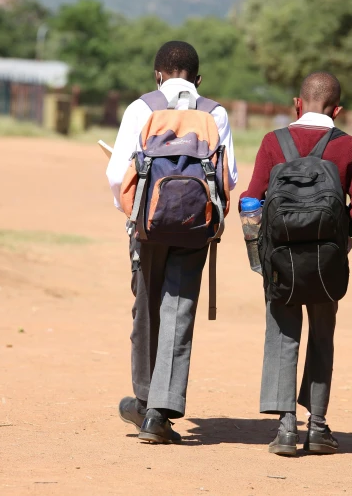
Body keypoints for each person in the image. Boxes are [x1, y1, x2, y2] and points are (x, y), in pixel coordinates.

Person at [106, 41, 238, 443]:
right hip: (197, 225)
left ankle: (144, 401)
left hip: (147, 223)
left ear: (157, 74)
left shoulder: (141, 108)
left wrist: (134, 214)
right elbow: (228, 176)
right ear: (198, 80)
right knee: (178, 307)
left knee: (145, 304)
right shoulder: (215, 112)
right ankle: (159, 413)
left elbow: (116, 175)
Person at [242, 72, 352, 455]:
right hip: (326, 260)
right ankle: (317, 427)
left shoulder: (274, 142)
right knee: (321, 336)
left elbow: (252, 198)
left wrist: (258, 252)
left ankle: (285, 429)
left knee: (282, 333)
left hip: (280, 259)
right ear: (338, 110)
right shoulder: (348, 146)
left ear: (297, 104)